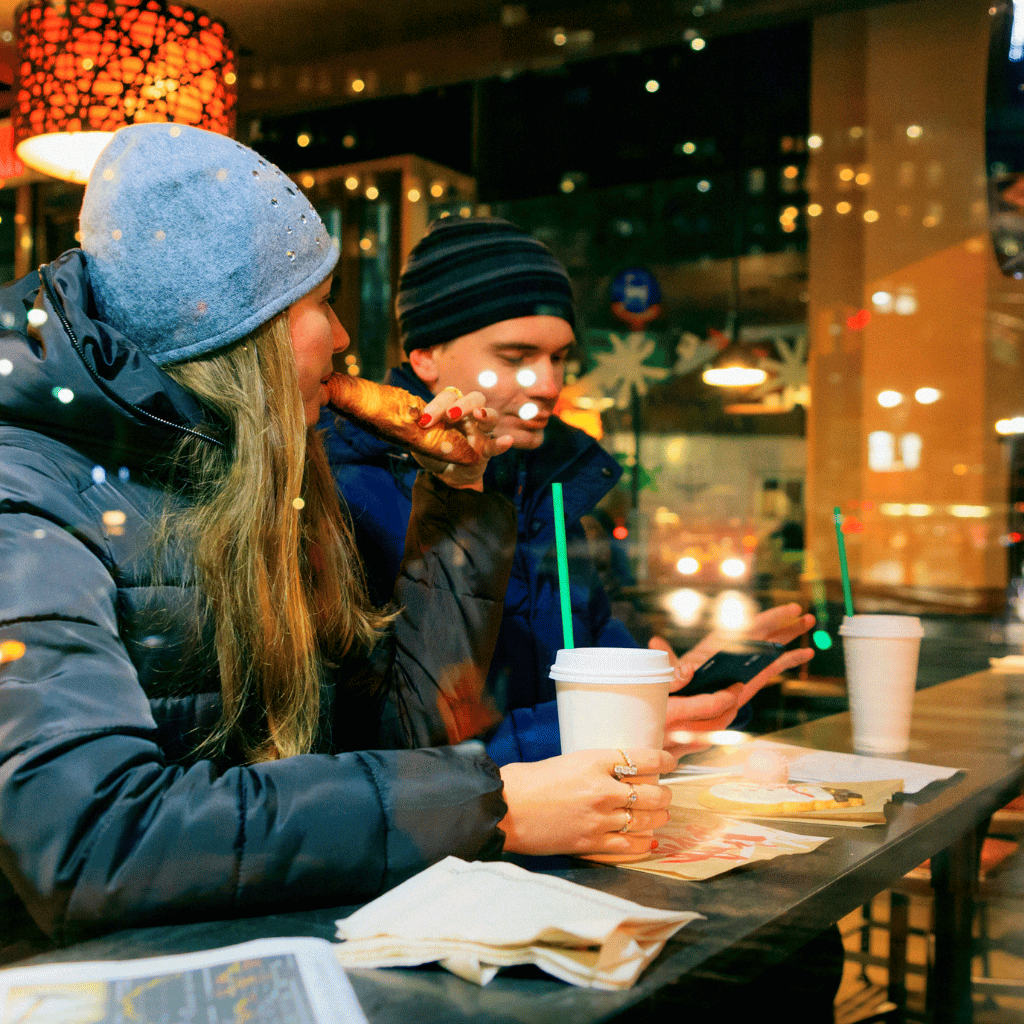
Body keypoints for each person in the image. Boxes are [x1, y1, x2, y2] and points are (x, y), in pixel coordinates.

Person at [0, 126, 674, 961]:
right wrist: (487, 803)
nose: (345, 340)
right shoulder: (22, 501)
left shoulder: (258, 478)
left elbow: (396, 744)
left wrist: (456, 504)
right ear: (244, 333)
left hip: (265, 953)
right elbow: (93, 841)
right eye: (319, 303)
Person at [321, 216, 815, 763]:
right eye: (515, 358)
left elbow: (611, 675)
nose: (550, 385)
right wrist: (607, 730)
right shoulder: (344, 490)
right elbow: (371, 751)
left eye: (559, 358)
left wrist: (701, 681)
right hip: (449, 843)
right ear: (425, 356)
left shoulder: (553, 485)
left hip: (573, 831)